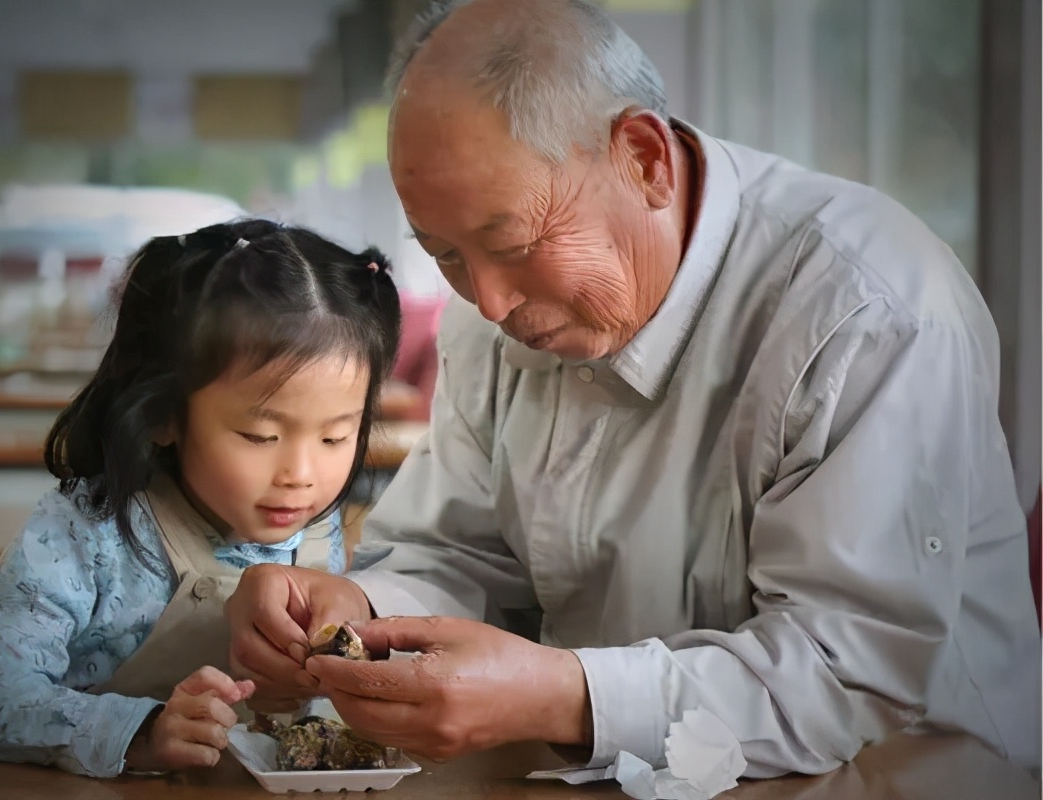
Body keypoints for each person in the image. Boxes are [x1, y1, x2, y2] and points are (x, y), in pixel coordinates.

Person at [226, 0, 1042, 780]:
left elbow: (845, 677)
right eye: (445, 256)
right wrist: (355, 613)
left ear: (645, 159)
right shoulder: (494, 311)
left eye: (512, 242)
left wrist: (562, 697)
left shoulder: (866, 310)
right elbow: (457, 552)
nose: (490, 302)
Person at [0, 219, 401, 777]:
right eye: (260, 436)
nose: (302, 475)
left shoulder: (318, 530)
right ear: (163, 413)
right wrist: (145, 732)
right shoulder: (83, 535)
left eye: (336, 437)